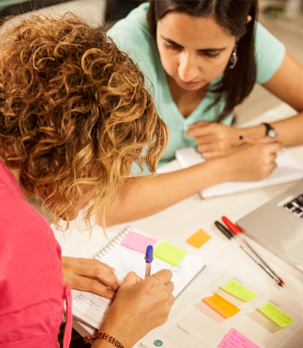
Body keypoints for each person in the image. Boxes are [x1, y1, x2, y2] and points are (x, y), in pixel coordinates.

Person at [0, 14, 174, 348]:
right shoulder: (21, 240)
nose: (102, 193)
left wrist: (29, 280)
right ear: (81, 153)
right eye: (111, 170)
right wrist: (119, 332)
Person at [102, 0, 303, 226]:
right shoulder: (123, 52)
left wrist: (243, 136)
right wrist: (227, 167)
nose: (186, 72)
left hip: (196, 204)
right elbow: (107, 205)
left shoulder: (250, 40)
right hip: (135, 216)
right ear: (154, 19)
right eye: (172, 45)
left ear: (241, 34)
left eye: (209, 53)